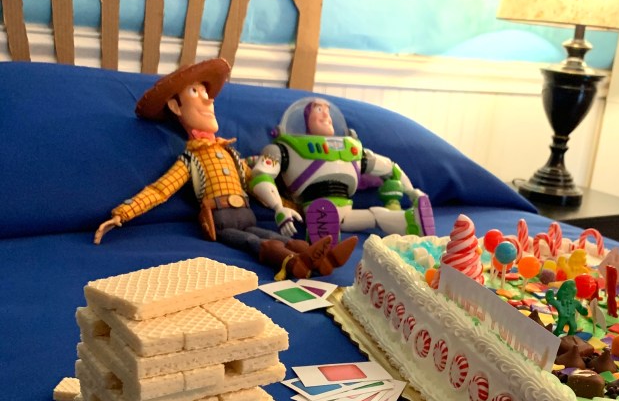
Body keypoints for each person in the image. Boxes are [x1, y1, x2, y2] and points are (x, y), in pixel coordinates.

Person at [94, 60, 356, 279]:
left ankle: (319, 258)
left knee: (270, 233)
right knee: (256, 243)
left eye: (207, 93)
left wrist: (293, 206)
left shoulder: (231, 152)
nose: (208, 100)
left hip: (246, 212)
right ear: (176, 107)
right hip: (219, 219)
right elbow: (160, 189)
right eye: (195, 93)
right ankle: (292, 263)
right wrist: (122, 214)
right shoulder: (190, 160)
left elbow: (256, 182)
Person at [245, 96, 435, 244]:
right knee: (326, 214)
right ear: (304, 119)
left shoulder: (352, 148)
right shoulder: (284, 149)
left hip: (345, 205)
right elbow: (261, 176)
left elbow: (391, 168)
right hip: (313, 202)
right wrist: (279, 208)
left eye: (327, 111)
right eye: (319, 110)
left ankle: (411, 222)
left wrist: (412, 192)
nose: (326, 115)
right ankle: (321, 233)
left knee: (375, 215)